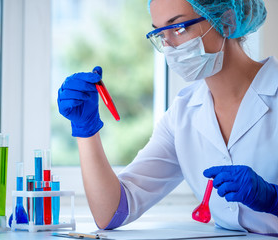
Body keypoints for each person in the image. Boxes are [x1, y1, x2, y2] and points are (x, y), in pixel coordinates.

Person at [57, 0, 278, 235]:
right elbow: (111, 211)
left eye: (179, 28)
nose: (169, 45)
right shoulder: (183, 114)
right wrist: (86, 129)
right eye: (160, 33)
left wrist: (273, 199)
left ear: (227, 22)